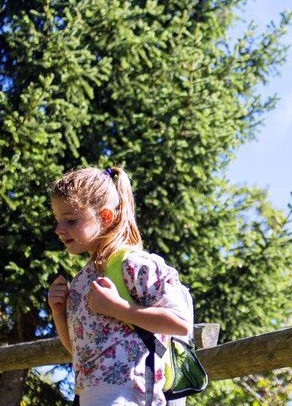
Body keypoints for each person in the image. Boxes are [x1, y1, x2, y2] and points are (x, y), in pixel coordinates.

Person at [47, 167, 194, 406]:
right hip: (90, 396)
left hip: (131, 395)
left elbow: (181, 323)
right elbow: (78, 351)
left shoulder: (136, 264)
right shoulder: (81, 281)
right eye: (57, 220)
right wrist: (57, 312)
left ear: (105, 216)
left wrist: (119, 308)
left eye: (71, 220)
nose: (59, 229)